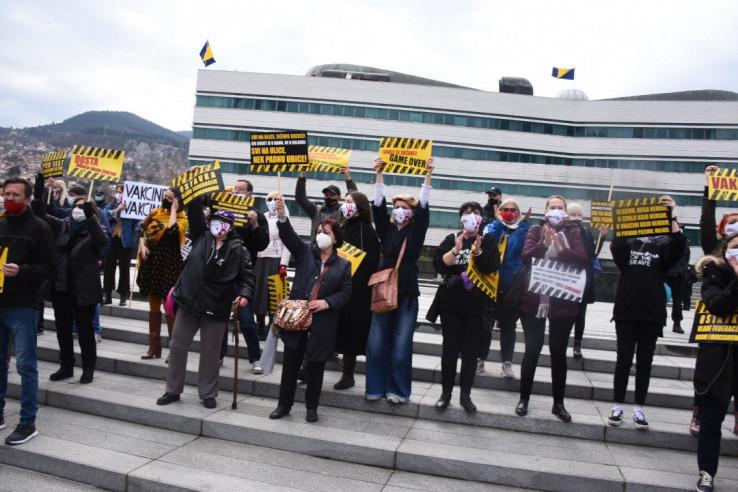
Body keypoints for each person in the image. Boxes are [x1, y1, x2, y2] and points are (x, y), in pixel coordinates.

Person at [156, 202, 254, 409]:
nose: (219, 226)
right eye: (216, 221)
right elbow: (194, 213)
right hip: (189, 302)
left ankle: (208, 393)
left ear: (231, 227)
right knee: (177, 346)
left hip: (216, 307)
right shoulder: (201, 236)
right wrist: (197, 196)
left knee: (210, 352)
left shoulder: (238, 250)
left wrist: (244, 294)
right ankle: (172, 390)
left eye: (225, 223)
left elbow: (247, 277)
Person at [268, 197, 352, 422]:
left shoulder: (344, 265)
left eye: (326, 232)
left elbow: (346, 293)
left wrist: (327, 303)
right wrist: (282, 215)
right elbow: (289, 236)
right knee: (290, 367)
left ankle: (311, 408)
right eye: (318, 231)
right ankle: (283, 406)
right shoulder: (305, 252)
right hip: (297, 320)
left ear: (335, 239)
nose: (320, 235)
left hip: (322, 323)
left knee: (315, 368)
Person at [607, 196, 685, 430]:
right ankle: (617, 406)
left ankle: (639, 409)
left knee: (645, 362)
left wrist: (671, 214)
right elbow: (616, 244)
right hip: (626, 311)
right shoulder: (627, 245)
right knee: (623, 360)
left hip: (652, 313)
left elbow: (678, 245)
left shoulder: (662, 246)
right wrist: (623, 217)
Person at [365, 158, 433, 404]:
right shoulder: (388, 230)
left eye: (404, 206)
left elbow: (424, 208)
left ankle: (398, 390)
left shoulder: (416, 231)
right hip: (383, 290)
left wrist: (427, 177)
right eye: (397, 206)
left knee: (401, 344)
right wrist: (380, 175)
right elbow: (378, 207)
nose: (399, 209)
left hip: (405, 293)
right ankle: (375, 387)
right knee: (376, 342)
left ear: (411, 213)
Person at [515, 195, 588, 422]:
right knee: (532, 351)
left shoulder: (575, 232)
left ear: (565, 212)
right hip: (534, 300)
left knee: (558, 353)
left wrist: (561, 248)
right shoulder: (536, 230)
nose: (556, 210)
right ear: (545, 210)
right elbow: (525, 257)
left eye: (560, 208)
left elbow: (583, 259)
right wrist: (543, 245)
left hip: (563, 301)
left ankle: (558, 403)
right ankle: (524, 398)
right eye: (552, 207)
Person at [32, 175, 110, 385]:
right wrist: (39, 192)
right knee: (63, 329)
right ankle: (66, 365)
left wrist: (90, 219)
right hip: (61, 287)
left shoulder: (96, 230)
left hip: (84, 289)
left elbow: (102, 243)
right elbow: (41, 215)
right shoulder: (63, 226)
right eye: (76, 206)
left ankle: (88, 368)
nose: (78, 209)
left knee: (84, 331)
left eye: (83, 207)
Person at [0, 176, 55, 446]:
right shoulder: (0, 223)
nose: (9, 199)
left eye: (15, 195)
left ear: (28, 198)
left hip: (23, 306)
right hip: (0, 302)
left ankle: (27, 421)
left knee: (25, 365)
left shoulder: (40, 228)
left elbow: (49, 268)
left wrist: (22, 272)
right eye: (6, 194)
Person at [432, 202, 499, 413]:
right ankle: (446, 393)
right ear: (461, 217)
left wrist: (478, 253)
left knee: (470, 353)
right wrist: (455, 250)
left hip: (475, 306)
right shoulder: (452, 238)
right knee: (449, 351)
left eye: (476, 213)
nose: (472, 216)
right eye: (467, 213)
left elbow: (492, 266)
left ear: (481, 218)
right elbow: (439, 264)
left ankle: (465, 395)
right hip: (451, 304)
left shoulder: (487, 240)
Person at [691, 165, 738, 437]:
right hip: (713, 321)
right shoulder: (713, 247)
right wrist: (710, 187)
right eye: (730, 222)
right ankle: (699, 410)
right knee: (707, 370)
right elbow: (706, 220)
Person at [693, 234, 738, 492]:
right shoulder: (714, 272)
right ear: (725, 251)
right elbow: (718, 306)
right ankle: (707, 472)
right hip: (718, 357)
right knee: (712, 418)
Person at [333, 190, 380, 390]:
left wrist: (353, 259)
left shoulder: (367, 231)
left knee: (351, 330)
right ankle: (309, 367)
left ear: (359, 207)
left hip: (357, 290)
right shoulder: (341, 227)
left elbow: (373, 260)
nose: (346, 205)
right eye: (345, 201)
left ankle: (348, 373)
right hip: (335, 285)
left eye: (350, 201)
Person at [480, 197, 530, 377]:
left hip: (511, 287)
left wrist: (522, 226)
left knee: (508, 327)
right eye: (505, 209)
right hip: (490, 283)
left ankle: (507, 363)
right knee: (485, 325)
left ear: (518, 212)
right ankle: (480, 359)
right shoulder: (493, 226)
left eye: (513, 209)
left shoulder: (524, 229)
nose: (509, 212)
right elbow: (489, 241)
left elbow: (519, 247)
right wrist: (498, 223)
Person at [137, 188, 188, 360]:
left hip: (170, 266)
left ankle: (174, 350)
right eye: (165, 197)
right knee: (153, 306)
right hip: (153, 264)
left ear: (177, 201)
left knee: (169, 308)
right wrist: (142, 246)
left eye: (170, 198)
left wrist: (173, 211)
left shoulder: (182, 219)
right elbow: (143, 230)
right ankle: (154, 347)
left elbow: (172, 232)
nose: (166, 199)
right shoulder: (154, 213)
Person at [567, 202, 607, 358]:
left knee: (580, 313)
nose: (576, 218)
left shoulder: (586, 231)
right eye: (573, 214)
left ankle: (577, 343)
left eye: (579, 215)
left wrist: (602, 237)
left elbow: (593, 254)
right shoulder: (563, 229)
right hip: (566, 277)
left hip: (583, 278)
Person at [252, 191, 290, 349]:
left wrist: (284, 263)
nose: (272, 201)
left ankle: (273, 325)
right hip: (260, 258)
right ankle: (259, 323)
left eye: (276, 199)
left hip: (276, 259)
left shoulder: (285, 218)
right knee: (259, 292)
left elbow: (288, 242)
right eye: (270, 199)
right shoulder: (262, 217)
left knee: (274, 294)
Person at [295, 168, 357, 240]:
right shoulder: (315, 211)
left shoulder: (344, 212)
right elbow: (300, 198)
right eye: (326, 195)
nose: (328, 197)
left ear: (339, 197)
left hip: (337, 250)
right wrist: (302, 176)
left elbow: (355, 199)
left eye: (332, 195)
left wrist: (349, 179)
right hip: (316, 249)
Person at [103, 184, 139, 307]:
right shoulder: (112, 205)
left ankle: (123, 295)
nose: (118, 194)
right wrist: (118, 210)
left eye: (121, 192)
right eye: (117, 192)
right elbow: (105, 216)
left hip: (126, 241)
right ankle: (107, 294)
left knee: (124, 268)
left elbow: (138, 223)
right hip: (112, 240)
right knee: (109, 267)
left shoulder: (133, 207)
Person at [664, 238, 691, 334]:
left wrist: (683, 272)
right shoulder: (666, 241)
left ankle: (677, 324)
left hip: (679, 276)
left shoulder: (684, 243)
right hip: (666, 275)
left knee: (678, 302)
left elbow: (686, 259)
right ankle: (660, 323)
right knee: (661, 301)